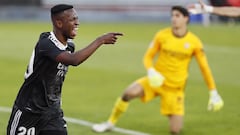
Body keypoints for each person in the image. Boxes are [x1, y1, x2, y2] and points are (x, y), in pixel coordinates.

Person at [92, 6, 223, 135]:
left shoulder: (194, 42)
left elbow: (204, 68)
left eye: (177, 16)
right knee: (128, 93)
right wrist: (151, 71)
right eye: (172, 15)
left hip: (175, 88)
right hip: (156, 80)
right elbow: (148, 57)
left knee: (175, 130)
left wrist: (213, 92)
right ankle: (110, 123)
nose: (173, 19)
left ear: (186, 18)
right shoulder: (162, 35)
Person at [7, 4, 123, 135]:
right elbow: (74, 60)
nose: (77, 23)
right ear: (59, 23)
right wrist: (100, 40)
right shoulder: (46, 43)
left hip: (52, 114)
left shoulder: (69, 47)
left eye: (77, 19)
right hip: (28, 112)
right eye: (72, 20)